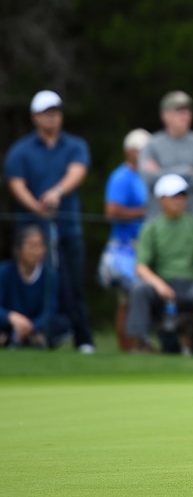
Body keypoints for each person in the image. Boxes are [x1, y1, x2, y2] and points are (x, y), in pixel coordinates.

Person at [3, 90, 95, 353]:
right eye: (46, 113)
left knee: (72, 285)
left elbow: (77, 171)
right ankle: (24, 336)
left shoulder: (75, 145)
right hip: (32, 230)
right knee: (29, 284)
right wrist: (36, 207)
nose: (52, 117)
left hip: (67, 228)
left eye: (56, 112)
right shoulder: (21, 151)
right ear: (35, 117)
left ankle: (83, 339)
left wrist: (56, 192)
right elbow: (16, 184)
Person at [125, 174, 193, 354]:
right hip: (161, 285)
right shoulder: (151, 228)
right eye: (174, 196)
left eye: (182, 196)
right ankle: (143, 343)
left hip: (191, 286)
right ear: (161, 200)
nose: (179, 201)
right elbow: (141, 266)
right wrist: (159, 285)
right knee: (139, 290)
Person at [99, 128, 152, 352]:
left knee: (136, 300)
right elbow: (111, 211)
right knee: (127, 300)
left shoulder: (145, 176)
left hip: (141, 248)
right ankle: (127, 349)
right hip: (123, 249)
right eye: (139, 150)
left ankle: (138, 344)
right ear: (129, 151)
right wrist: (143, 213)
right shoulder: (121, 176)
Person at [139, 90, 193, 221]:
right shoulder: (152, 144)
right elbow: (147, 178)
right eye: (179, 111)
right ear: (165, 115)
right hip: (159, 225)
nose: (185, 115)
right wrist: (187, 170)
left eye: (188, 111)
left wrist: (162, 174)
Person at [0, 225, 72, 349]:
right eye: (31, 246)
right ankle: (17, 340)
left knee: (62, 324)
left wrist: (31, 326)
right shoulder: (4, 272)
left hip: (36, 326)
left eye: (40, 245)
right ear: (18, 249)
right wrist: (11, 318)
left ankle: (26, 340)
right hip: (10, 323)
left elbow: (50, 310)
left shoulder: (50, 276)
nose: (36, 251)